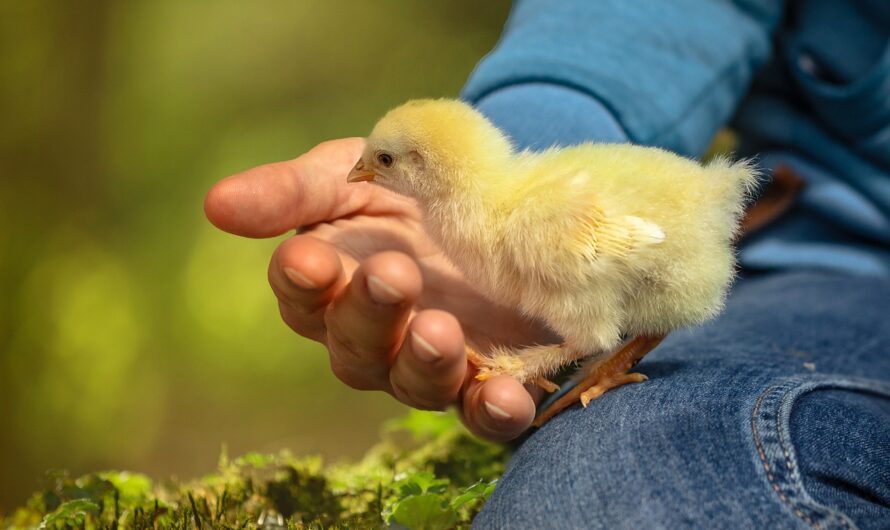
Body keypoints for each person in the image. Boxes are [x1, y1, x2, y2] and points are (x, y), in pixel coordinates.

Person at [205, 1, 890, 528]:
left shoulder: (518, 215)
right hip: (837, 255)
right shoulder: (491, 205)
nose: (366, 171)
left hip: (669, 243)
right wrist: (545, 113)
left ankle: (595, 359)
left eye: (382, 163)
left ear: (427, 168)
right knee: (615, 483)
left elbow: (629, 235)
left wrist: (545, 357)